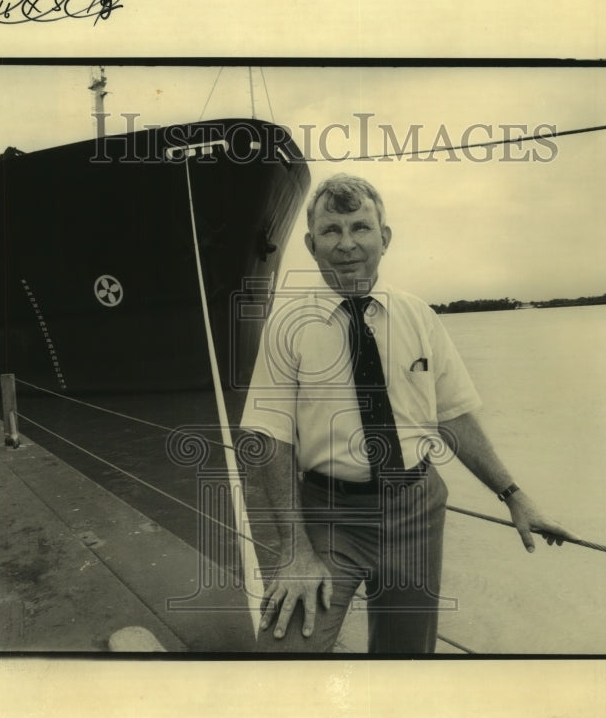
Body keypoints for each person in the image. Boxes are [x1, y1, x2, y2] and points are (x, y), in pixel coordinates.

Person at [239, 173, 578, 654]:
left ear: (385, 238)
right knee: (284, 652)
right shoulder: (288, 327)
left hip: (416, 511)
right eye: (332, 231)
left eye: (360, 228)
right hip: (330, 517)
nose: (347, 244)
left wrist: (513, 494)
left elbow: (454, 416)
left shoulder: (419, 316)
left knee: (407, 659)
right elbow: (268, 438)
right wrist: (294, 551)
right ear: (311, 244)